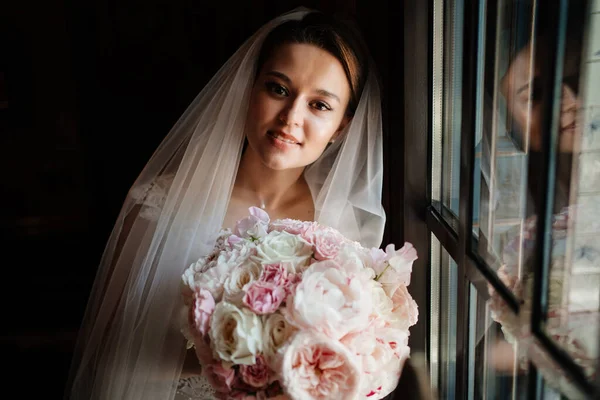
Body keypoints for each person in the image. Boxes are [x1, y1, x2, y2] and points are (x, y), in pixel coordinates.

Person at [65, 7, 386, 400]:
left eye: (319, 105)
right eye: (279, 89)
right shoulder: (159, 206)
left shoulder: (346, 228)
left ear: (342, 126)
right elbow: (113, 352)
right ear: (248, 90)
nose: (290, 117)